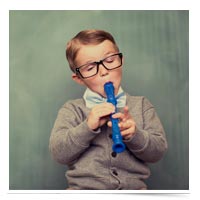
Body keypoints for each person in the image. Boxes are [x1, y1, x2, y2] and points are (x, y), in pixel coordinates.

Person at [49, 29, 168, 190]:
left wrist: (135, 135)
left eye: (110, 60)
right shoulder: (72, 109)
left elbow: (158, 152)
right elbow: (59, 153)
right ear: (79, 79)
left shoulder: (141, 105)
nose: (104, 71)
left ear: (121, 60)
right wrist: (88, 127)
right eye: (90, 68)